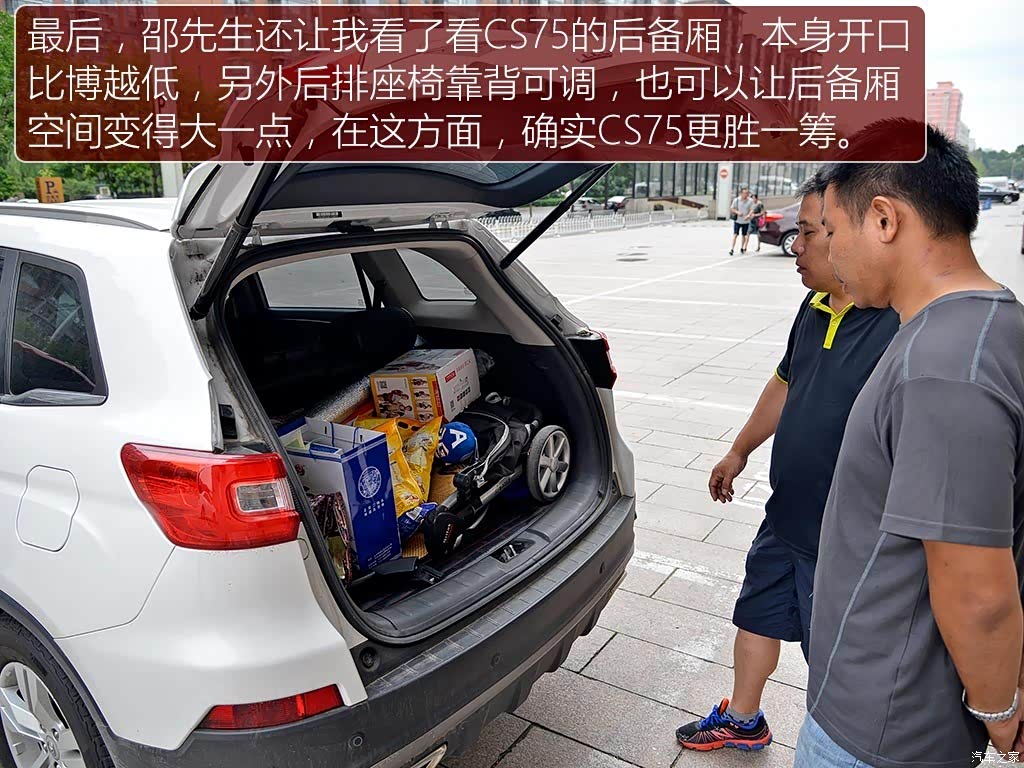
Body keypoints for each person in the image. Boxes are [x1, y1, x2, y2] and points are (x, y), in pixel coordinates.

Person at [796, 122, 1024, 768]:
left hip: (880, 733)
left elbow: (978, 590)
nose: (830, 253)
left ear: (884, 219)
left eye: (833, 231)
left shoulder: (944, 367)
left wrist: (1001, 713)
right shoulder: (990, 321)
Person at [676, 173, 899, 753]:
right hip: (786, 516)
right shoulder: (814, 304)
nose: (794, 246)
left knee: (835, 654)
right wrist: (739, 449)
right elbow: (785, 381)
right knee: (757, 613)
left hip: (846, 537)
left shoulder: (898, 320)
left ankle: (841, 747)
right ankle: (744, 719)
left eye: (808, 232)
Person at [729, 188, 754, 255]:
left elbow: (751, 209)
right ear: (741, 193)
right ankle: (732, 249)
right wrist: (737, 212)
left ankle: (742, 248)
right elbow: (732, 208)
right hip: (737, 220)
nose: (746, 194)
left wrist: (748, 215)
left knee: (744, 235)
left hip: (746, 221)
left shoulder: (750, 201)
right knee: (735, 234)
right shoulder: (736, 200)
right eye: (745, 193)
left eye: (747, 193)